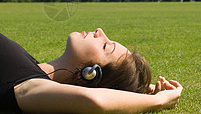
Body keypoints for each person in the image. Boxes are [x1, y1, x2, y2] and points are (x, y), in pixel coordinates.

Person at [0, 28, 182, 113]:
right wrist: (145, 90)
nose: (99, 31)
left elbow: (94, 100)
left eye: (105, 46)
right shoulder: (30, 68)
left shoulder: (29, 86)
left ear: (90, 74)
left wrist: (160, 100)